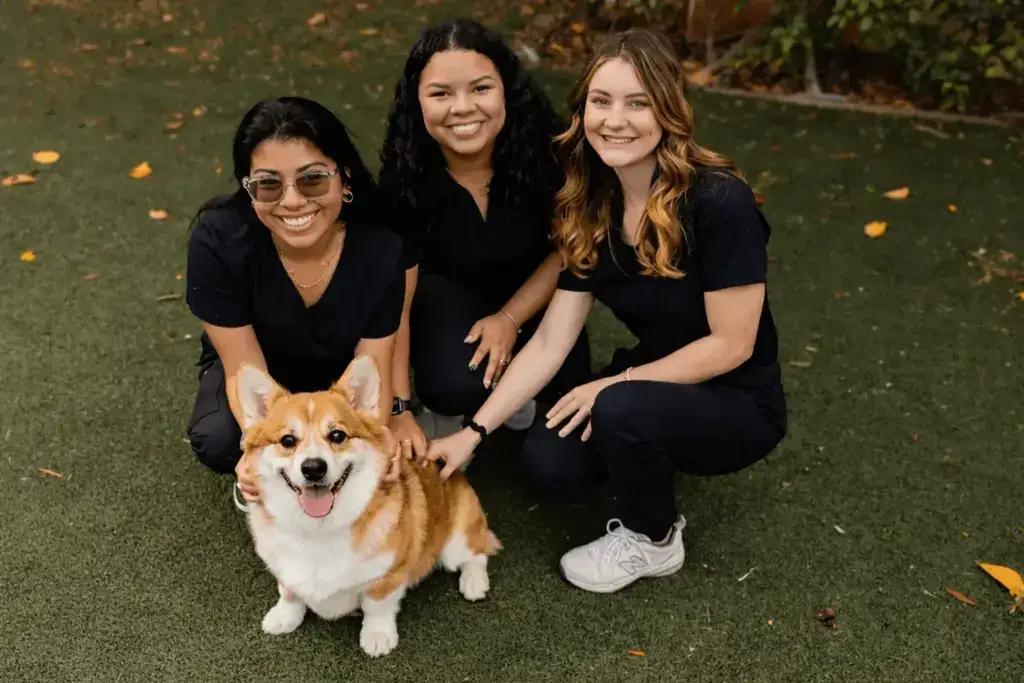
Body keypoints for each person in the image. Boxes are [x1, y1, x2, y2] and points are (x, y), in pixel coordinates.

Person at [424, 28, 787, 594]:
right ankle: (647, 436)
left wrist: (615, 385)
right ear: (583, 110)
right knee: (551, 466)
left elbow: (733, 345)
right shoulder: (593, 204)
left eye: (638, 102)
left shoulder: (719, 201)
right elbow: (550, 340)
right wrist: (472, 433)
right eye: (602, 101)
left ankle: (655, 539)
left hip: (740, 401)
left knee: (618, 407)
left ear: (668, 109)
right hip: (650, 382)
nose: (615, 120)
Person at [377, 19, 591, 458]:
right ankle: (466, 394)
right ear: (416, 101)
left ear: (506, 90)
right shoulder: (407, 175)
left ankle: (511, 386)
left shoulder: (547, 152)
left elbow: (572, 249)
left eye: (480, 89)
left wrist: (510, 319)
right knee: (452, 386)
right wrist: (399, 406)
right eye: (440, 93)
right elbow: (395, 298)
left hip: (536, 297)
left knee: (564, 387)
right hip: (448, 299)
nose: (462, 108)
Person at [184, 97, 405, 509]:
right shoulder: (218, 242)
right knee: (218, 440)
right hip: (260, 369)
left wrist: (380, 436)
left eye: (312, 180)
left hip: (344, 376)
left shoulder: (380, 246)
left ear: (345, 177)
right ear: (248, 189)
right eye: (269, 184)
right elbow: (243, 371)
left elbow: (374, 365)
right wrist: (252, 452)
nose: (291, 201)